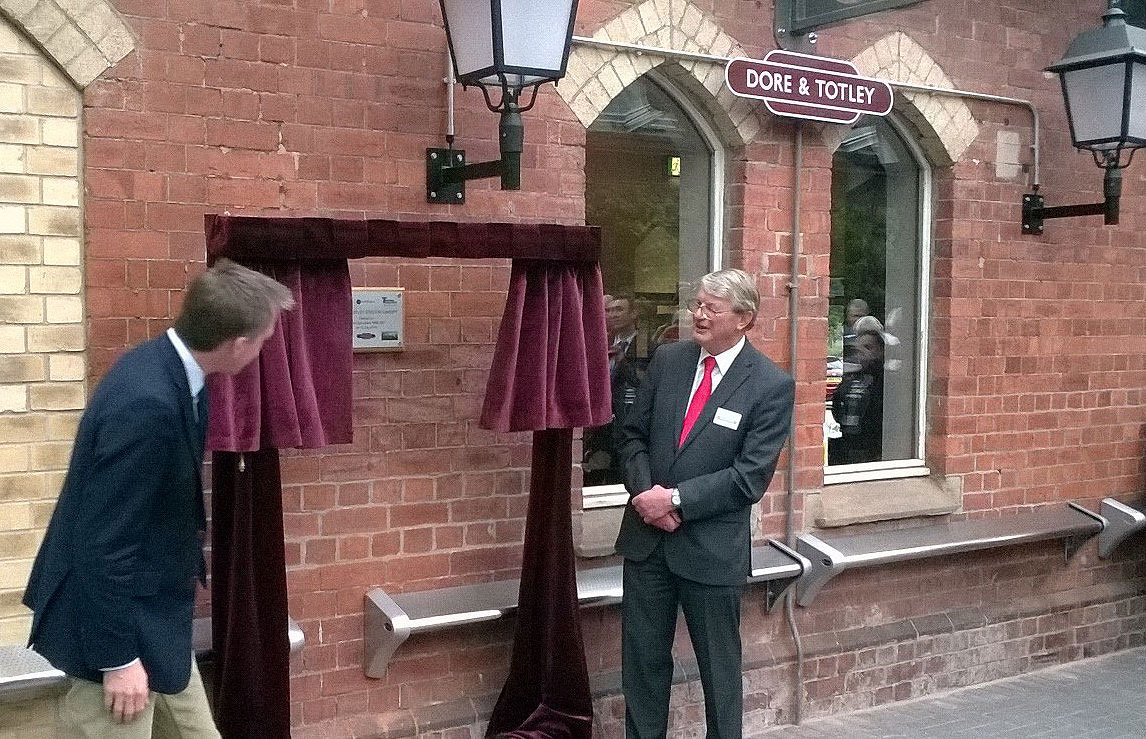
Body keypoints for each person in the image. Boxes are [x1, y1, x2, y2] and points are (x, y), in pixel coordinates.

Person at [22, 259, 295, 737]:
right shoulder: (147, 403)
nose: (264, 349)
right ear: (239, 344)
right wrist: (118, 659)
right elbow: (102, 543)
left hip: (158, 625)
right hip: (115, 637)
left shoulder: (172, 371)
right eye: (265, 339)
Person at [615, 268, 795, 738]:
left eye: (711, 308)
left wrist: (674, 499)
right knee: (642, 667)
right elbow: (630, 435)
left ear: (744, 319)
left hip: (711, 551)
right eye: (697, 304)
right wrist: (644, 497)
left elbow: (749, 477)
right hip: (647, 543)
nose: (698, 314)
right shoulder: (668, 361)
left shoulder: (770, 385)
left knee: (719, 673)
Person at [584, 294, 650, 487]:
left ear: (633, 314)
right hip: (600, 420)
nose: (613, 315)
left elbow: (644, 382)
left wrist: (622, 361)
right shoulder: (601, 340)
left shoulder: (645, 344)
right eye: (609, 310)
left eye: (619, 310)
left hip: (628, 418)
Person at [828, 326, 885, 465]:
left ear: (881, 351)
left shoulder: (886, 381)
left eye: (868, 347)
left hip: (872, 448)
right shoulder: (853, 376)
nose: (862, 352)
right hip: (847, 444)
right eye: (859, 348)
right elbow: (838, 403)